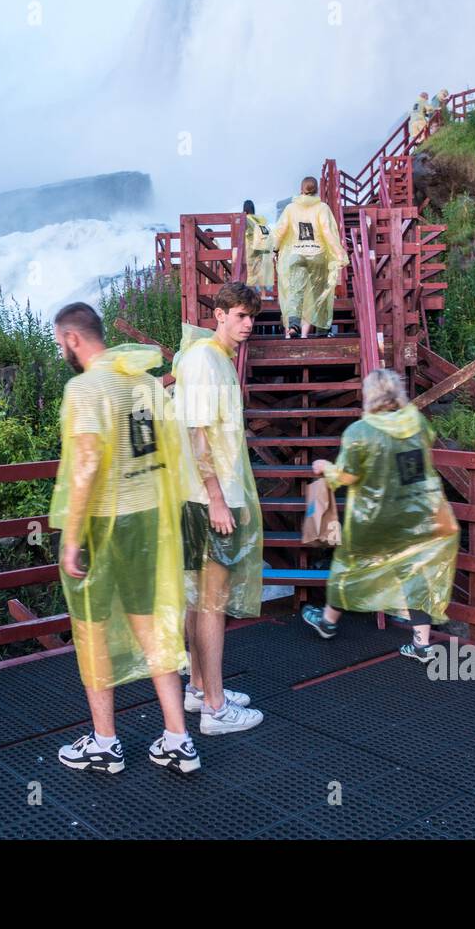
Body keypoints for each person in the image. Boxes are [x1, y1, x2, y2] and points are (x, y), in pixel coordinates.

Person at [49, 303, 198, 774]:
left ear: (73, 339)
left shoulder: (85, 387)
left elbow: (87, 465)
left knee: (92, 629)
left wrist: (72, 537)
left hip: (105, 522)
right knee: (151, 627)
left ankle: (105, 743)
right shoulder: (143, 382)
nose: (62, 352)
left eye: (59, 344)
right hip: (151, 517)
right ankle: (178, 738)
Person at [301, 368, 458, 660]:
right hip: (418, 516)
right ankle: (422, 644)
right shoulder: (417, 423)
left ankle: (327, 622)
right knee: (417, 573)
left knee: (349, 566)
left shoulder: (359, 432)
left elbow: (347, 477)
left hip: (373, 520)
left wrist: (325, 468)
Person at [173, 281, 265, 734]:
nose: (247, 324)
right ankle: (215, 707)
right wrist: (216, 498)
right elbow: (197, 433)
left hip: (203, 498)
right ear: (220, 314)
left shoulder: (214, 360)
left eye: (252, 317)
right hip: (209, 500)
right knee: (212, 602)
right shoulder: (207, 361)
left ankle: (197, 688)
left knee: (198, 598)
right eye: (240, 315)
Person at [270, 178, 348, 339]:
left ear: (301, 189)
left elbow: (280, 231)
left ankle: (293, 325)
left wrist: (275, 249)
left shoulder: (291, 208)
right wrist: (339, 253)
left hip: (296, 254)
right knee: (319, 293)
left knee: (295, 292)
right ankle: (322, 330)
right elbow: (328, 232)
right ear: (316, 189)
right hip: (317, 255)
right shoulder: (322, 208)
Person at [242, 199, 275, 299]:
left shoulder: (246, 218)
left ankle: (251, 298)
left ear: (245, 209)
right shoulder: (261, 219)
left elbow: (243, 233)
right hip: (263, 250)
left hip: (251, 249)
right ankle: (264, 296)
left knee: (251, 274)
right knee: (262, 273)